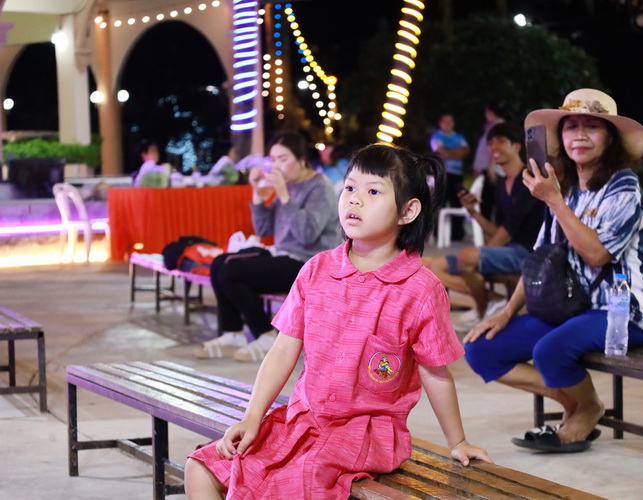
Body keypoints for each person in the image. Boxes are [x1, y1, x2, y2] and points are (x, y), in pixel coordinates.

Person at [184, 143, 491, 499]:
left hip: (363, 433)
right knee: (200, 467)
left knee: (296, 483)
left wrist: (458, 441)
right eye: (350, 187)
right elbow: (283, 350)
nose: (355, 199)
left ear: (408, 211)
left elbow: (435, 373)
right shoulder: (316, 269)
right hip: (301, 421)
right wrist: (253, 417)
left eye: (373, 191)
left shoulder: (420, 289)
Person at [463, 88, 643, 453]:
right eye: (571, 127)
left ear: (610, 138)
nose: (579, 135)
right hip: (571, 308)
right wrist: (506, 312)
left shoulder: (624, 187)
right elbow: (539, 258)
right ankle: (578, 403)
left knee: (550, 350)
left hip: (623, 313)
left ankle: (586, 411)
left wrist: (553, 200)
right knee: (481, 348)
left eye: (592, 127)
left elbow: (597, 255)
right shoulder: (566, 191)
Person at [193, 131, 340, 362]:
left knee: (232, 272)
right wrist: (257, 195)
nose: (277, 166)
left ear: (301, 159)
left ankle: (266, 334)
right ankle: (232, 333)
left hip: (309, 263)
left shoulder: (319, 187)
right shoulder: (289, 185)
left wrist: (283, 195)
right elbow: (263, 229)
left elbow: (306, 235)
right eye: (273, 160)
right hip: (283, 257)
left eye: (283, 159)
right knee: (220, 263)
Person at [429, 123, 544, 332]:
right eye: (490, 143)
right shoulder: (501, 184)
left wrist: (481, 254)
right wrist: (473, 212)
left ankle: (483, 311)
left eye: (501, 141)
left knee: (468, 257)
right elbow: (497, 229)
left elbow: (508, 231)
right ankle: (494, 302)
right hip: (508, 250)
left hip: (529, 253)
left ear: (517, 146)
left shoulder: (528, 180)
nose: (493, 147)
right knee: (436, 266)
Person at [430, 113, 470, 241]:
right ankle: (438, 234)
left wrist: (448, 152)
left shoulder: (459, 136)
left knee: (457, 203)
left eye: (450, 121)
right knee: (440, 203)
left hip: (457, 174)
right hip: (442, 173)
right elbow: (442, 152)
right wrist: (455, 152)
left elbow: (465, 151)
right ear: (440, 123)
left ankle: (457, 235)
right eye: (445, 121)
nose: (448, 124)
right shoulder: (436, 136)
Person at [471, 102, 510, 220]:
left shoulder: (499, 127)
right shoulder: (494, 126)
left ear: (490, 113)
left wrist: (492, 165)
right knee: (488, 203)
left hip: (494, 170)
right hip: (491, 169)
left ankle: (493, 229)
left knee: (489, 203)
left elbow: (497, 148)